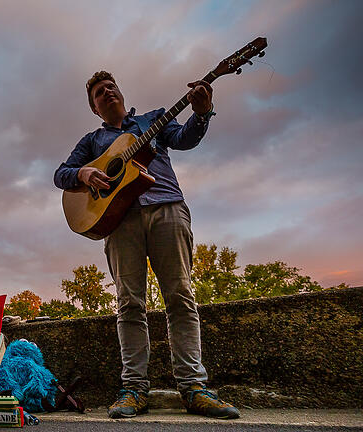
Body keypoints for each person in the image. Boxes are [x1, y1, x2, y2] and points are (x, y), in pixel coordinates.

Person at [53, 71, 240, 419]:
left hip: (168, 207)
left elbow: (185, 139)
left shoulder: (152, 120)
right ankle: (134, 389)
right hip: (120, 221)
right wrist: (83, 174)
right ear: (94, 107)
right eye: (98, 93)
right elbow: (60, 174)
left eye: (110, 87)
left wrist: (201, 114)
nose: (106, 92)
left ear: (121, 93)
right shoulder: (92, 140)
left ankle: (194, 388)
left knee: (181, 296)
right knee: (129, 304)